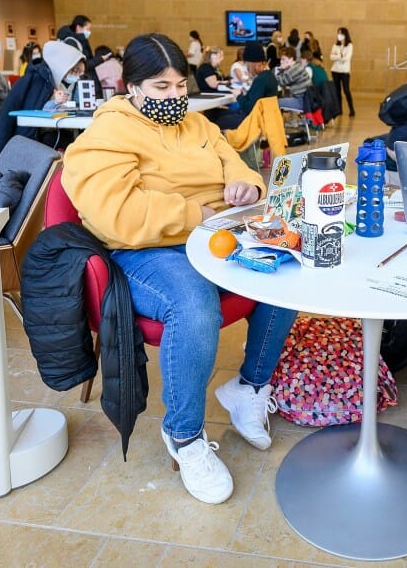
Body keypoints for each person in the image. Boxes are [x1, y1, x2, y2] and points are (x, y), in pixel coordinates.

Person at [61, 33, 298, 504]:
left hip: (214, 234)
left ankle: (248, 388)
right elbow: (117, 214)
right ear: (131, 87)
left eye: (179, 87)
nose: (173, 98)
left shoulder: (199, 125)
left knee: (286, 267)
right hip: (145, 248)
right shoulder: (106, 134)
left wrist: (245, 187)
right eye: (160, 88)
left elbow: (239, 165)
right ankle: (185, 435)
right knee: (193, 304)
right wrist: (199, 215)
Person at [276, 46, 311, 111]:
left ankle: (277, 121)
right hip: (305, 99)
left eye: (283, 59)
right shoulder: (297, 66)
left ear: (291, 59)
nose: (281, 62)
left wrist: (280, 70)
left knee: (274, 103)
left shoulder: (294, 70)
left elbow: (279, 81)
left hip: (302, 101)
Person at [330, 27, 354, 116]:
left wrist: (338, 56)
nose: (339, 35)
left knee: (346, 90)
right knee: (337, 91)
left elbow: (347, 58)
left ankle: (351, 109)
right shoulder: (335, 45)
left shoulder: (349, 45)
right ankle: (339, 109)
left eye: (340, 33)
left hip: (344, 71)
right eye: (338, 33)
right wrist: (340, 56)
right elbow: (331, 57)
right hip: (335, 70)